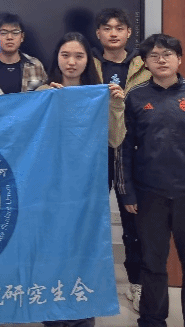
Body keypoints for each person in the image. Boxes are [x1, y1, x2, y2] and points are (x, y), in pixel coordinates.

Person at [116, 34, 185, 327]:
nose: (161, 60)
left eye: (167, 54)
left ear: (179, 59)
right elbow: (123, 148)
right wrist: (127, 193)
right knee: (152, 265)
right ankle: (152, 320)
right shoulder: (136, 97)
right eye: (154, 56)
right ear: (145, 63)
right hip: (149, 195)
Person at [36, 32, 126, 327]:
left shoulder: (99, 93)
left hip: (88, 187)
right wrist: (42, 101)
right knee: (52, 248)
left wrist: (116, 105)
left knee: (86, 248)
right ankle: (52, 314)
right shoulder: (43, 90)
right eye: (65, 55)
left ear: (89, 60)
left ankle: (83, 315)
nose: (71, 62)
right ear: (57, 58)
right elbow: (30, 138)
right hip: (50, 186)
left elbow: (115, 140)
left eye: (79, 56)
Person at [92, 7, 151, 312]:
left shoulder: (144, 65)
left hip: (133, 151)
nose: (113, 33)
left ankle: (137, 285)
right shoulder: (88, 64)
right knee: (89, 218)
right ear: (98, 33)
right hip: (94, 150)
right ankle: (89, 283)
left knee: (134, 222)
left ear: (129, 33)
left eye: (119, 28)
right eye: (107, 28)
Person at [0, 12, 46, 94]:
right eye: (3, 33)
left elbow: (44, 97)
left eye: (15, 33)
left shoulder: (36, 66)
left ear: (22, 37)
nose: (9, 37)